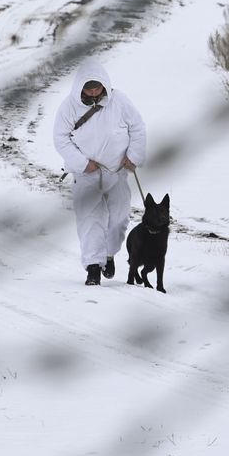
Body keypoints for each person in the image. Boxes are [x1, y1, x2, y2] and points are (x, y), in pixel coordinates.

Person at [52, 58, 147, 286]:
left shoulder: (120, 101)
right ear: (80, 87)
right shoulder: (68, 108)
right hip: (87, 174)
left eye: (97, 86)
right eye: (89, 86)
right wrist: (84, 163)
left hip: (117, 171)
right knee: (89, 218)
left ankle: (109, 254)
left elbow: (137, 127)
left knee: (119, 218)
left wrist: (133, 156)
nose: (94, 91)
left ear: (104, 84)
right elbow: (60, 139)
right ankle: (93, 267)